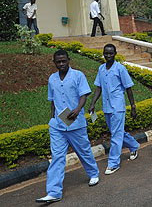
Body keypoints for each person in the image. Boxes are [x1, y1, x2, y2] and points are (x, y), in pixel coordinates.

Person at [36, 50, 99, 203]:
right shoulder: (52, 79)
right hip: (58, 125)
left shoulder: (78, 75)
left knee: (83, 151)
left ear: (69, 60)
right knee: (57, 157)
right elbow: (52, 100)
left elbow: (84, 95)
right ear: (54, 62)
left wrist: (78, 110)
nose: (61, 64)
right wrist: (52, 118)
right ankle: (54, 192)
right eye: (58, 62)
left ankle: (93, 173)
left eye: (64, 61)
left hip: (76, 124)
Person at [89, 44, 139, 175]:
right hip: (107, 107)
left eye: (111, 53)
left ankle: (113, 163)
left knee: (115, 136)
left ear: (115, 53)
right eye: (106, 53)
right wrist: (93, 103)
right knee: (117, 132)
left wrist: (133, 106)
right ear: (103, 53)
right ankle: (133, 145)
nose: (108, 55)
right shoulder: (101, 69)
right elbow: (98, 87)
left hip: (117, 106)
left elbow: (128, 88)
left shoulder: (120, 69)